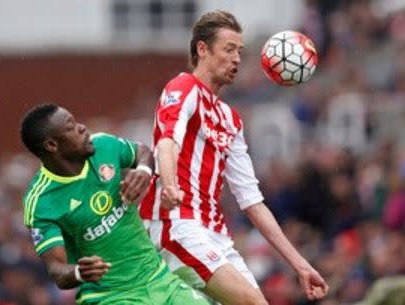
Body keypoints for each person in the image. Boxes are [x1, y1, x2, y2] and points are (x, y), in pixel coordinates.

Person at [139, 10, 329, 305]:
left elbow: (252, 202)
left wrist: (300, 265)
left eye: (240, 52)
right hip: (176, 225)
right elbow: (167, 142)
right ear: (202, 49)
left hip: (216, 236)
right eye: (229, 49)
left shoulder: (230, 119)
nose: (237, 59)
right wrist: (170, 183)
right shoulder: (183, 88)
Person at [20, 103, 210, 305]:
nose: (82, 127)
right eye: (71, 127)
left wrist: (144, 171)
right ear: (52, 145)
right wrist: (78, 272)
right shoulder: (42, 200)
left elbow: (141, 151)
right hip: (111, 297)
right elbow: (56, 269)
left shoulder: (103, 145)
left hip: (159, 278)